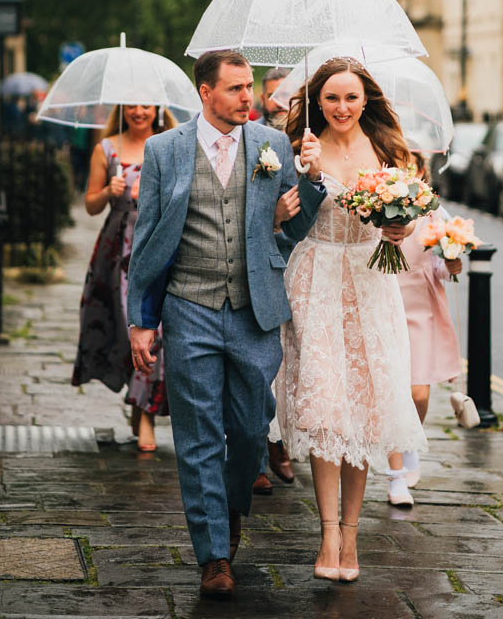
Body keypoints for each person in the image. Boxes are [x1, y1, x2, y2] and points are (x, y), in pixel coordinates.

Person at [127, 51, 325, 600]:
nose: (248, 97)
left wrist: (308, 184)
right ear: (205, 92)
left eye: (249, 88)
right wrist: (140, 320)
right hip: (188, 307)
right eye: (235, 89)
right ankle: (213, 554)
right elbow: (145, 240)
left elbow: (296, 230)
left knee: (248, 430)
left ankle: (233, 506)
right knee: (196, 437)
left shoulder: (273, 145)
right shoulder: (164, 151)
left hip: (254, 310)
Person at [274, 57, 426, 583]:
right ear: (317, 101)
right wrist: (307, 174)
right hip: (314, 279)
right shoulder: (298, 149)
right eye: (332, 98)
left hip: (369, 281)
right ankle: (327, 536)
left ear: (367, 101)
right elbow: (281, 219)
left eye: (351, 98)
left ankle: (353, 539)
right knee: (323, 409)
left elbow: (406, 215)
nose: (342, 107)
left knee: (361, 409)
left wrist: (399, 229)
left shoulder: (387, 151)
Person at [72, 102, 175, 452]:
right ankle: (138, 403)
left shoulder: (170, 144)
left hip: (158, 250)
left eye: (146, 105)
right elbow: (89, 205)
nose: (139, 111)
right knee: (127, 330)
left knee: (154, 329)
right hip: (118, 253)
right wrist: (109, 192)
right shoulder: (107, 149)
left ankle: (145, 414)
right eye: (131, 105)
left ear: (158, 109)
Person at [386, 151, 463, 507]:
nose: (407, 172)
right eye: (399, 166)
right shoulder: (378, 208)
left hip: (418, 308)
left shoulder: (433, 211)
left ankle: (411, 441)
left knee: (417, 395)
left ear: (422, 172)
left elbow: (445, 269)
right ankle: (396, 478)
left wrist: (452, 262)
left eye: (412, 166)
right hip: (385, 302)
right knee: (391, 392)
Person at [253, 65, 295, 494]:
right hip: (268, 255)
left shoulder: (314, 137)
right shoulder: (260, 141)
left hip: (306, 253)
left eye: (287, 96)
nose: (280, 103)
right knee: (266, 354)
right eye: (273, 96)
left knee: (294, 355)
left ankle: (284, 439)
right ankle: (266, 445)